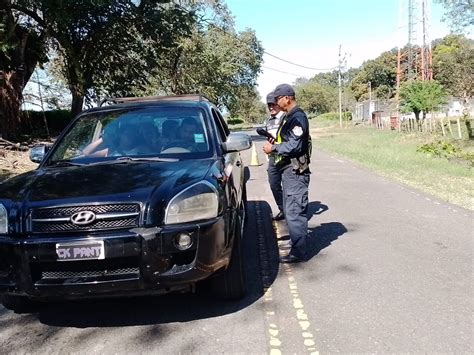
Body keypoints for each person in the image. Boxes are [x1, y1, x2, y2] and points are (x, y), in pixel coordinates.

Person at [263, 83, 311, 263]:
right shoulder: (289, 117)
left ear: (287, 98)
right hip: (288, 170)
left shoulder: (297, 117)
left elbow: (296, 145)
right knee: (291, 209)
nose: (275, 102)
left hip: (295, 171)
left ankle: (299, 252)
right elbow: (289, 140)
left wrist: (273, 148)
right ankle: (296, 243)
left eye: (277, 99)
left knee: (294, 211)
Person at [262, 92, 285, 221]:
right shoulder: (269, 121)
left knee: (289, 188)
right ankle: (282, 209)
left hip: (286, 157)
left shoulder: (286, 118)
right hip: (273, 158)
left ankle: (291, 212)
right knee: (274, 184)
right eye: (269, 105)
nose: (271, 107)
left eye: (273, 104)